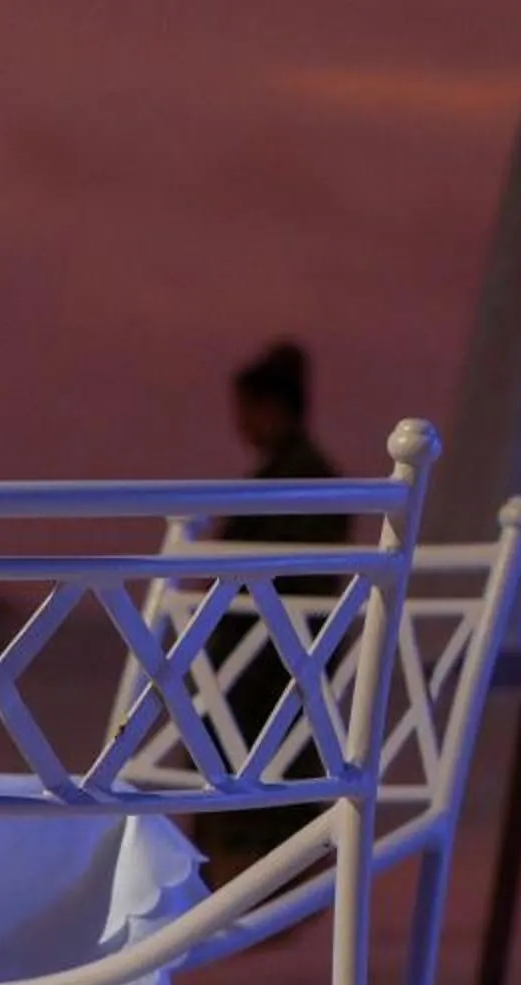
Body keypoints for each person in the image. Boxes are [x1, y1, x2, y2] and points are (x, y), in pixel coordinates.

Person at [196, 341, 348, 885]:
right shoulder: (294, 476)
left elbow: (289, 577)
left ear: (272, 408)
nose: (241, 425)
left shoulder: (301, 479)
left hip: (270, 662)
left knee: (258, 789)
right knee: (263, 787)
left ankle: (251, 888)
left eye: (246, 411)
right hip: (270, 659)